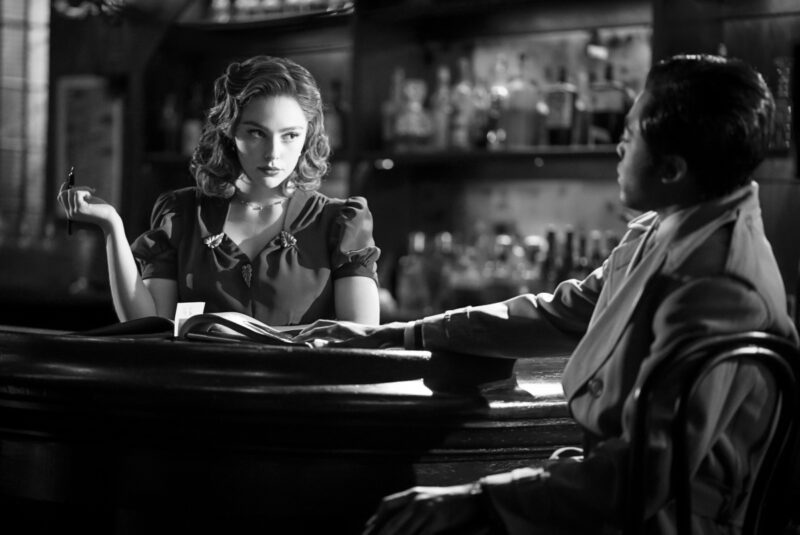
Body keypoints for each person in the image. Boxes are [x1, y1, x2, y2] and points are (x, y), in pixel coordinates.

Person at [296, 54, 800, 534]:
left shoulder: (717, 287)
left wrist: (477, 498)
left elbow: (639, 479)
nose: (618, 148)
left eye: (629, 136)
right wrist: (406, 333)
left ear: (672, 169)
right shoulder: (668, 225)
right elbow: (563, 312)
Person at [58, 55, 380, 326]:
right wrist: (111, 225)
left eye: (290, 135)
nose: (273, 153)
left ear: (308, 135)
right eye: (256, 133)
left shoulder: (340, 223)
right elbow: (148, 327)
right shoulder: (182, 213)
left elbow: (360, 343)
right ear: (230, 131)